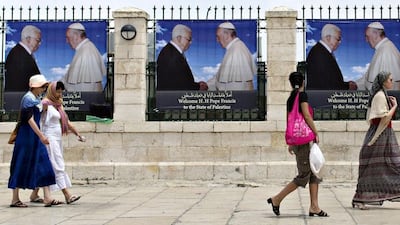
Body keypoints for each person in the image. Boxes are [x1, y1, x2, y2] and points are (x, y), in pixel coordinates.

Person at [267, 72, 328, 217]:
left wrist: (291, 141)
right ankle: (277, 199)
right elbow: (306, 115)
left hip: (298, 140)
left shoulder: (290, 99)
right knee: (304, 175)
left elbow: (290, 121)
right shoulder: (302, 96)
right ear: (303, 82)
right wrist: (315, 132)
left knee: (314, 173)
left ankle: (314, 206)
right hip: (304, 141)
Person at [8, 74, 63, 208]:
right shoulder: (28, 98)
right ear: (35, 87)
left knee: (44, 163)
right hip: (27, 137)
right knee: (21, 163)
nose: (44, 88)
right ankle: (15, 199)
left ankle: (47, 197)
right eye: (42, 86)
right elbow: (29, 119)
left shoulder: (35, 98)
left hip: (33, 137)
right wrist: (41, 136)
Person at [352, 71, 400, 209]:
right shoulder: (380, 96)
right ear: (384, 81)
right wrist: (395, 106)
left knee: (391, 165)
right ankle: (360, 199)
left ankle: (362, 198)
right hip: (380, 136)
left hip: (385, 135)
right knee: (371, 167)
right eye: (390, 79)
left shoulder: (382, 94)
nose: (392, 81)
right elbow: (384, 118)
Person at [41, 81, 84, 204]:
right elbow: (38, 120)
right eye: (57, 91)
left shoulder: (58, 105)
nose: (60, 94)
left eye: (61, 91)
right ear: (52, 91)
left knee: (51, 164)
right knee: (57, 165)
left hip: (57, 138)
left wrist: (78, 134)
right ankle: (67, 195)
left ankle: (36, 194)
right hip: (49, 138)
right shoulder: (45, 104)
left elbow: (67, 122)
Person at [156, 24, 208, 91]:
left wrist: (196, 85)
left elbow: (179, 80)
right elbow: (180, 85)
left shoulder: (171, 51)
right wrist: (198, 87)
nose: (191, 42)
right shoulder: (172, 56)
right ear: (179, 38)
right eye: (189, 39)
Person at [207, 21, 256, 91]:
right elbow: (221, 77)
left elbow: (235, 87)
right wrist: (207, 85)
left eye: (218, 36)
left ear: (226, 35)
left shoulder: (237, 51)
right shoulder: (234, 48)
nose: (217, 40)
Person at [306, 24, 357, 90]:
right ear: (328, 38)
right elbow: (327, 84)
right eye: (338, 39)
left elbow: (330, 79)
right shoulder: (320, 54)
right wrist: (347, 86)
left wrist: (346, 85)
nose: (340, 42)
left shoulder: (321, 51)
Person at [356, 22, 400, 91]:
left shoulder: (386, 51)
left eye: (367, 37)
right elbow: (369, 79)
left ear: (376, 34)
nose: (366, 40)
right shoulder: (382, 49)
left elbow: (389, 86)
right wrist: (356, 84)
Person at [63, 22, 106, 92]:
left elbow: (85, 86)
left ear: (76, 36)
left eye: (68, 38)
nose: (67, 41)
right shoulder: (83, 49)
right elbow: (69, 78)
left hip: (85, 100)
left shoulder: (87, 51)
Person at [5, 25, 42, 92]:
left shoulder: (21, 53)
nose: (40, 43)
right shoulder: (19, 55)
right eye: (38, 40)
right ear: (28, 39)